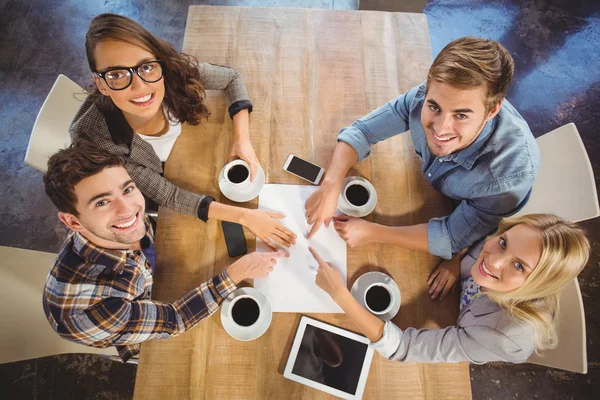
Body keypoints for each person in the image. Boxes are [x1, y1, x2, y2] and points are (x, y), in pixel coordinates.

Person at [42, 141, 289, 362]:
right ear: (73, 222)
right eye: (102, 202)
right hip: (138, 336)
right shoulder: (91, 311)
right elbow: (175, 319)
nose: (128, 209)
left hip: (153, 281)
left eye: (127, 189)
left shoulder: (118, 229)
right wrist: (238, 272)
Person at [72, 13, 295, 249]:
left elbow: (231, 78)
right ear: (101, 84)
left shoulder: (170, 71)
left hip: (190, 159)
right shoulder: (99, 142)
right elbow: (168, 195)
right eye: (117, 75)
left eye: (145, 67)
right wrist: (244, 217)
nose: (140, 86)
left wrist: (242, 140)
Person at [305, 37, 540, 260]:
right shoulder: (430, 93)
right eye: (434, 107)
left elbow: (450, 237)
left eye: (460, 115)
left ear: (491, 112)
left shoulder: (508, 178)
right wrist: (331, 185)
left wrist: (373, 233)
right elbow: (362, 131)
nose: (441, 128)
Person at [308, 214, 590, 364]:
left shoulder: (505, 336)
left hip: (464, 334)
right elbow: (480, 235)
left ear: (538, 284)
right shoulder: (503, 241)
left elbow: (405, 348)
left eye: (519, 267)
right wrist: (458, 261)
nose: (492, 258)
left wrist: (340, 295)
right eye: (503, 242)